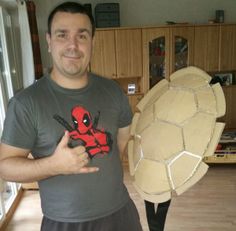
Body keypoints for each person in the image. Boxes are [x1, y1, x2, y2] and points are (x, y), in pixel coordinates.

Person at [0, 2, 143, 231]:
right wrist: (53, 165)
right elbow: (5, 166)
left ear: (92, 42)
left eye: (82, 36)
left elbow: (120, 143)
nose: (73, 45)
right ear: (48, 41)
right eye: (62, 35)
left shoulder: (113, 91)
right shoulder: (26, 103)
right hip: (65, 223)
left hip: (121, 214)